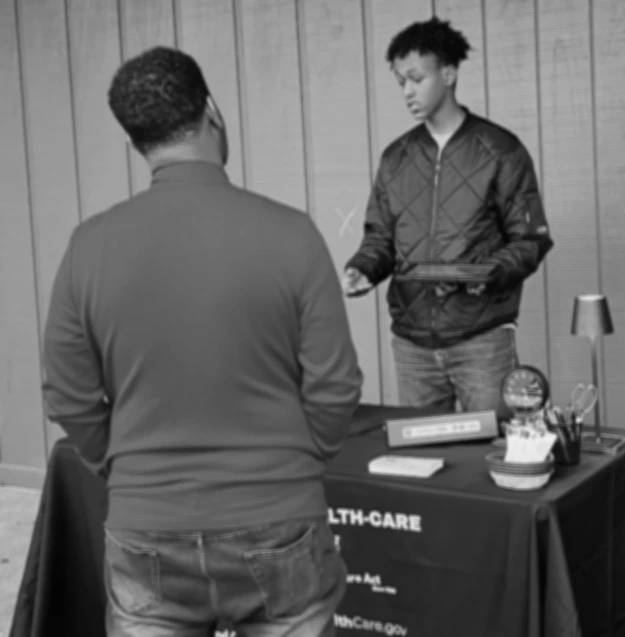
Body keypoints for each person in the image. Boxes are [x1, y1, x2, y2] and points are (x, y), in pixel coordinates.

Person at [42, 46, 362, 637]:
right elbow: (335, 384)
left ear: (135, 141)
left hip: (145, 525)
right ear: (212, 111)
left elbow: (67, 392)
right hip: (279, 516)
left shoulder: (88, 246)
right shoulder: (292, 233)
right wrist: (297, 462)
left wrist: (120, 465)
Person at [343, 17, 553, 419]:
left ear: (449, 74)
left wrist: (483, 274)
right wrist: (363, 268)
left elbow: (531, 240)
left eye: (416, 78)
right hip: (412, 347)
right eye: (400, 81)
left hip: (481, 341)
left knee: (493, 450)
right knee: (423, 454)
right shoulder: (396, 158)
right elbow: (380, 237)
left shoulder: (501, 151)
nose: (407, 91)